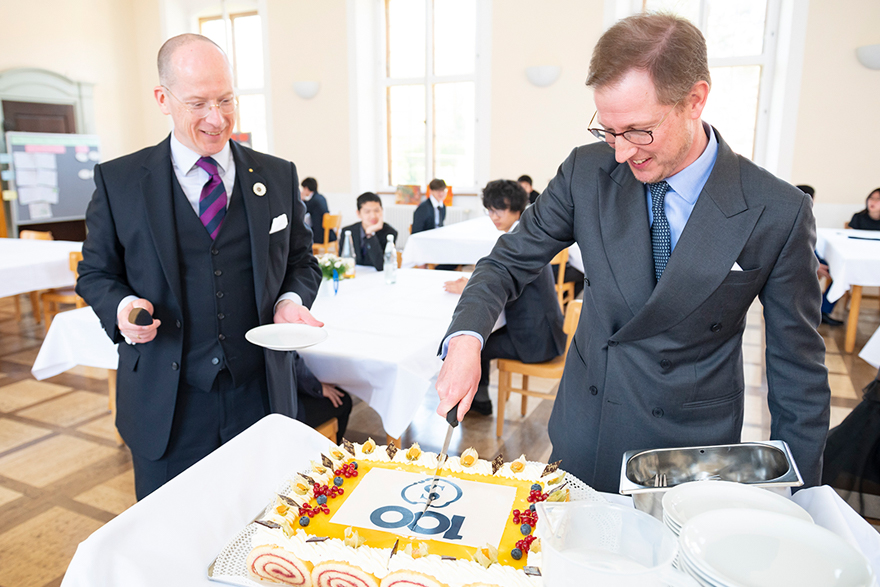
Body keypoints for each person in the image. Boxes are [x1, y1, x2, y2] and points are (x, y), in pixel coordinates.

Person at [435, 13, 830, 493]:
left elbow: (797, 370)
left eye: (639, 131)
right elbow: (506, 261)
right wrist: (466, 339)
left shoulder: (777, 209)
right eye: (608, 130)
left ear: (695, 100)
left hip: (689, 448)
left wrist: (803, 496)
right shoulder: (585, 171)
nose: (621, 152)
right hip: (589, 423)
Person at [76, 34, 322, 500]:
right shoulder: (120, 181)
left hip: (260, 396)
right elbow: (95, 273)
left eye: (226, 100)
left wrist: (290, 301)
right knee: (170, 542)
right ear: (162, 99)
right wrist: (124, 307)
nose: (217, 118)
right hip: (167, 405)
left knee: (261, 528)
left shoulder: (277, 174)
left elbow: (300, 261)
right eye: (198, 103)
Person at [443, 180, 565, 415]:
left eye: (499, 209)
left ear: (517, 207)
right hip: (548, 332)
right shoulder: (528, 235)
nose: (493, 216)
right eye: (490, 209)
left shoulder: (522, 242)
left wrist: (469, 286)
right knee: (482, 334)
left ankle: (478, 402)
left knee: (474, 344)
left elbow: (506, 285)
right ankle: (479, 399)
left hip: (537, 341)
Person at [797, 185, 843, 326]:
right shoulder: (797, 216)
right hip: (798, 259)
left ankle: (821, 310)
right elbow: (797, 247)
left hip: (807, 255)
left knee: (837, 270)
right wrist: (814, 264)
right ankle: (819, 311)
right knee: (838, 271)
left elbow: (808, 245)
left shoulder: (803, 214)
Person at [292, 352, 352, 444]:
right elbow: (293, 364)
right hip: (288, 414)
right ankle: (328, 454)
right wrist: (317, 387)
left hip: (266, 410)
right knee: (342, 400)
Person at [340, 192, 398, 271]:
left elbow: (380, 265)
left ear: (382, 211)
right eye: (367, 212)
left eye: (377, 211)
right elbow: (343, 262)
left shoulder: (390, 233)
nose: (373, 216)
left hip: (377, 277)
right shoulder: (347, 231)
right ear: (358, 213)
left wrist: (370, 234)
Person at [301, 177, 336, 245]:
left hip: (319, 235)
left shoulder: (314, 200)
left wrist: (301, 199)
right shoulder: (321, 197)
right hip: (329, 234)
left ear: (306, 188)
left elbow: (303, 210)